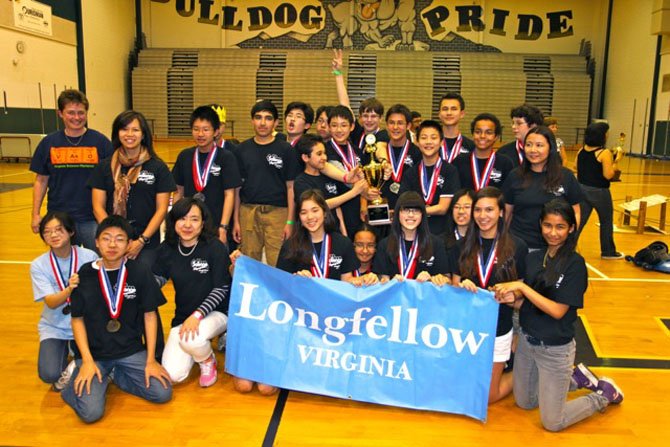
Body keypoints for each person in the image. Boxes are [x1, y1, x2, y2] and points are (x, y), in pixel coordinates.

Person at [493, 199, 623, 432]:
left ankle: (603, 395)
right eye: (548, 226)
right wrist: (512, 300)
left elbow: (556, 310)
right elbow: (530, 305)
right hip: (527, 343)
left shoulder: (575, 265)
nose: (553, 233)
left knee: (553, 422)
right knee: (525, 402)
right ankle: (575, 380)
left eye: (560, 227)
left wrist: (523, 288)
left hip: (554, 350)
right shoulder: (534, 258)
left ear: (571, 228)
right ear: (541, 226)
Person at [61, 215, 172, 423]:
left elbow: (150, 316)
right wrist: (85, 361)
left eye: (120, 239)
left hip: (130, 351)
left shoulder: (139, 272)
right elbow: (77, 320)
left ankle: (114, 376)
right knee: (91, 413)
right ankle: (76, 383)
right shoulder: (84, 274)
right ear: (96, 242)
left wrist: (151, 361)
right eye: (106, 238)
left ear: (129, 244)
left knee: (162, 392)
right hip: (95, 355)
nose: (112, 244)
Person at [451, 187, 527, 403]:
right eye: (478, 210)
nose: (483, 216)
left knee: (488, 396)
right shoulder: (461, 246)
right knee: (462, 389)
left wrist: (513, 301)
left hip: (499, 328)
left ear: (501, 212)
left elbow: (522, 297)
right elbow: (453, 289)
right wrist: (461, 287)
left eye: (489, 210)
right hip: (467, 330)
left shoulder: (516, 247)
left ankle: (529, 369)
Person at [153, 198, 230, 387]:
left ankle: (206, 360)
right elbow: (159, 279)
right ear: (174, 221)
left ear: (203, 223)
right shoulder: (167, 249)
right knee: (173, 375)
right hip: (183, 316)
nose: (187, 225)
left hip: (217, 312)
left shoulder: (215, 247)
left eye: (194, 219)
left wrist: (197, 315)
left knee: (192, 341)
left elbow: (221, 289)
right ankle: (198, 349)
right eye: (182, 219)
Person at [89, 110, 176, 268]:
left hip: (146, 243)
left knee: (141, 287)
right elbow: (97, 207)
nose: (129, 134)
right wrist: (114, 238)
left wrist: (141, 241)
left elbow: (162, 209)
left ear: (143, 135)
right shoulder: (104, 167)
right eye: (124, 129)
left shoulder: (158, 167)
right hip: (112, 243)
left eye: (135, 130)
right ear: (117, 133)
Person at [30, 89, 114, 249]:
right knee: (64, 265)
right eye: (71, 113)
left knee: (97, 263)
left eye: (81, 113)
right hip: (60, 218)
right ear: (60, 113)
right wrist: (35, 214)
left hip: (92, 218)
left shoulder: (101, 142)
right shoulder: (48, 143)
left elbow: (112, 181)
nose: (77, 117)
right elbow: (41, 181)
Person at [30, 211, 98, 391]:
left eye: (59, 230)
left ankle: (75, 358)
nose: (53, 235)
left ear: (71, 232)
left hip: (85, 324)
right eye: (47, 232)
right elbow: (51, 302)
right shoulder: (38, 265)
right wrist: (69, 289)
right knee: (49, 375)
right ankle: (70, 352)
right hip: (55, 326)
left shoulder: (89, 256)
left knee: (97, 361)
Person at [232, 100, 300, 267]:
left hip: (278, 214)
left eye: (268, 118)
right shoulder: (241, 150)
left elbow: (291, 188)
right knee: (249, 264)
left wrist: (290, 222)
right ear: (252, 121)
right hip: (248, 212)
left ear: (276, 123)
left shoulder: (286, 150)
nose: (263, 123)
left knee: (277, 264)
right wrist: (236, 220)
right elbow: (237, 189)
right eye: (258, 117)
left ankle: (277, 295)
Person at [502, 126, 582, 251]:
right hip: (519, 245)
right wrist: (501, 241)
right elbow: (507, 212)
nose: (533, 150)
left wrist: (570, 239)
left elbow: (575, 211)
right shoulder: (515, 176)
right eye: (528, 145)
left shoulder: (566, 176)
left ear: (550, 147)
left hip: (554, 247)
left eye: (539, 145)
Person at [172, 106, 242, 245]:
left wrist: (223, 227)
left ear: (216, 132)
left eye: (206, 129)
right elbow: (178, 192)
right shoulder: (185, 156)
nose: (200, 134)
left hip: (216, 224)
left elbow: (230, 195)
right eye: (196, 129)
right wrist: (176, 220)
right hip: (190, 225)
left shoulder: (226, 157)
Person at [276, 189, 359, 281]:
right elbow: (281, 283)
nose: (310, 217)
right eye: (303, 212)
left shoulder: (343, 243)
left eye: (315, 210)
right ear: (299, 217)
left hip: (333, 295)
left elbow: (347, 282)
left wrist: (366, 280)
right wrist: (296, 279)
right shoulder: (290, 246)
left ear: (325, 213)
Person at [294, 134, 367, 236]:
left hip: (335, 232)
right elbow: (320, 205)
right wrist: (353, 193)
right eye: (319, 154)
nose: (324, 157)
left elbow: (337, 207)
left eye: (324, 153)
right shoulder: (301, 182)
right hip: (315, 234)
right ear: (305, 157)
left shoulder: (329, 176)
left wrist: (344, 233)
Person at [373, 191, 450, 285]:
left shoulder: (436, 243)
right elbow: (381, 280)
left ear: (422, 214)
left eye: (416, 210)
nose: (410, 215)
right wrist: (390, 281)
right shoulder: (384, 245)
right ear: (398, 213)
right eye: (406, 210)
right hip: (395, 298)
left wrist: (432, 279)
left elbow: (447, 281)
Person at [399, 120, 461, 235]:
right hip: (416, 232)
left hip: (442, 232)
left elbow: (443, 208)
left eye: (433, 138)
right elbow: (405, 204)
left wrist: (417, 210)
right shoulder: (410, 173)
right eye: (423, 138)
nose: (428, 142)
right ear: (417, 142)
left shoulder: (450, 171)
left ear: (442, 142)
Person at [576, 122, 624, 259]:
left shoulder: (581, 150)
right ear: (602, 135)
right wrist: (617, 161)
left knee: (579, 222)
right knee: (606, 221)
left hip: (582, 189)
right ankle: (608, 252)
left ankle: (566, 248)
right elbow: (608, 175)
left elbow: (576, 167)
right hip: (599, 191)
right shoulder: (604, 152)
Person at [453, 113, 514, 191]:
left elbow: (508, 194)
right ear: (473, 134)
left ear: (496, 137)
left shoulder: (505, 163)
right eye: (478, 132)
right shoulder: (459, 161)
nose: (482, 136)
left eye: (488, 133)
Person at [497, 104, 544, 168]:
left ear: (533, 126)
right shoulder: (503, 152)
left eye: (519, 123)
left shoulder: (547, 152)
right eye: (513, 123)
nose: (513, 127)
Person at [436, 92, 475, 163]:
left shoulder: (472, 147)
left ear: (462, 114)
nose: (449, 113)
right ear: (439, 114)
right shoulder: (430, 144)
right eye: (445, 109)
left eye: (454, 109)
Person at [442, 188, 475, 253]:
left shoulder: (481, 240)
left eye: (467, 207)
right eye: (456, 207)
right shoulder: (441, 241)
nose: (461, 211)